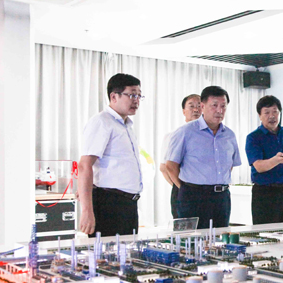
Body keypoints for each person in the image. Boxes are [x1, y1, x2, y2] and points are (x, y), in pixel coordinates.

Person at [165, 86, 241, 229]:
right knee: (190, 239)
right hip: (193, 197)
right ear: (202, 106)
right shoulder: (185, 132)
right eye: (214, 105)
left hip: (221, 198)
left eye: (223, 106)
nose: (219, 110)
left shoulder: (229, 135)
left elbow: (229, 165)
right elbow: (170, 165)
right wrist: (186, 189)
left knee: (219, 238)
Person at [78, 73, 143, 236]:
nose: (136, 100)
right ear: (114, 96)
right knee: (108, 252)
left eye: (139, 96)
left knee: (128, 251)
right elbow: (84, 165)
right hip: (109, 203)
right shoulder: (102, 122)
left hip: (128, 204)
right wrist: (86, 211)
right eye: (132, 95)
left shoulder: (126, 125)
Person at [246, 95, 283, 225]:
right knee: (266, 233)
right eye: (266, 112)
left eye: (275, 112)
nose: (272, 116)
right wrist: (276, 160)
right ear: (260, 116)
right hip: (264, 194)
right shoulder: (253, 137)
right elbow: (259, 166)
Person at [159, 94, 201, 218]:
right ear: (184, 111)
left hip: (207, 193)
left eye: (199, 106)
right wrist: (182, 188)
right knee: (185, 228)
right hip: (184, 191)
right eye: (191, 106)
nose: (196, 109)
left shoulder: (213, 136)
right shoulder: (174, 135)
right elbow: (164, 168)